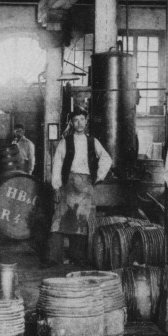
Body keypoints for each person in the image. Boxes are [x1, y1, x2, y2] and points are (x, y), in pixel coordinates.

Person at [42, 109, 112, 267]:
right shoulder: (64, 142)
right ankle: (52, 258)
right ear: (71, 123)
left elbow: (106, 158)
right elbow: (57, 164)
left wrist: (98, 177)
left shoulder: (93, 141)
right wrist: (56, 187)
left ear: (86, 121)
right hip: (68, 183)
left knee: (80, 221)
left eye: (82, 119)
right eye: (76, 120)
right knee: (58, 220)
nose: (79, 123)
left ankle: (77, 257)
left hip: (86, 184)